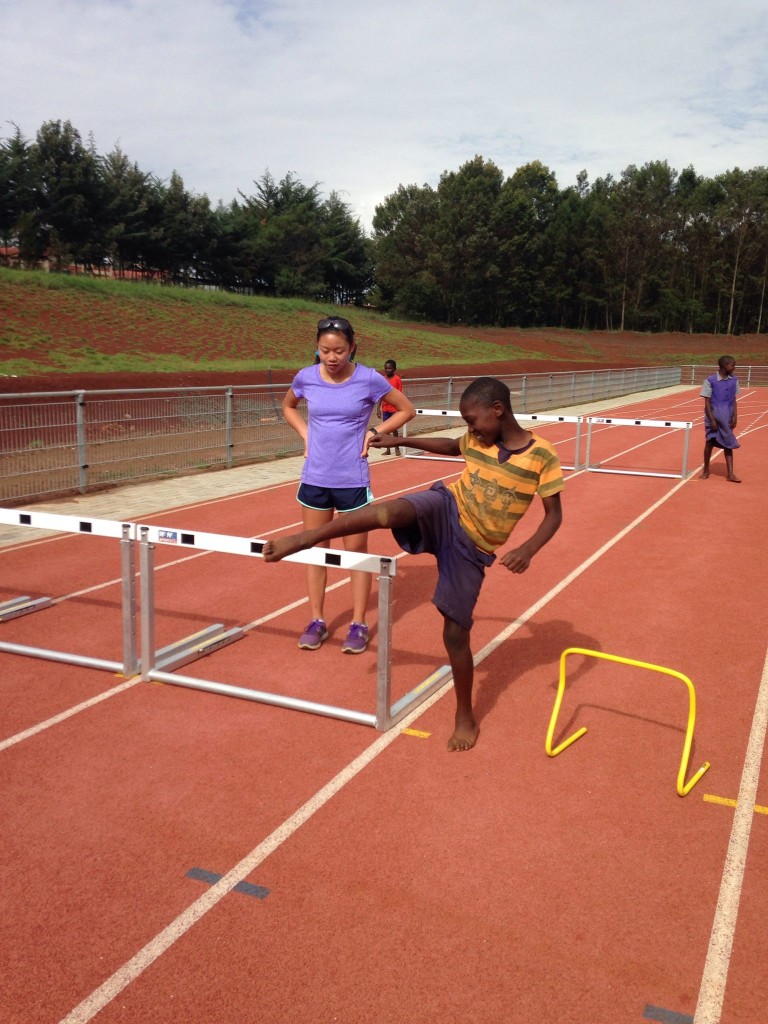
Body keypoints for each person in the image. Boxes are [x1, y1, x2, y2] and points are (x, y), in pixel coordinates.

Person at [265, 376, 564, 752]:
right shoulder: (476, 438)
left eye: (473, 421)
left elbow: (554, 515)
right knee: (388, 512)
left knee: (455, 633)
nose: (470, 429)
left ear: (498, 410)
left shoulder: (542, 455)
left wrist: (529, 549)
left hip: (473, 546)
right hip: (448, 506)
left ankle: (464, 713)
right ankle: (306, 538)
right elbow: (451, 446)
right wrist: (401, 440)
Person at [282, 315, 415, 655]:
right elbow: (288, 406)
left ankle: (358, 623)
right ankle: (317, 619)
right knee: (314, 551)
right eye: (325, 350)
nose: (332, 357)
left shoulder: (368, 379)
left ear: (352, 347)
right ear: (317, 348)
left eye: (339, 350)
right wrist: (305, 433)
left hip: (352, 479)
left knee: (355, 552)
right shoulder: (306, 377)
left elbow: (406, 410)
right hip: (315, 477)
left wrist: (376, 433)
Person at [700, 355, 741, 482]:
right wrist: (711, 419)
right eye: (732, 365)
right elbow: (707, 402)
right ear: (724, 366)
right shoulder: (710, 380)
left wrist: (735, 416)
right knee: (710, 442)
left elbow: (734, 400)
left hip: (727, 416)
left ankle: (730, 474)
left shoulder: (734, 380)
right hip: (714, 416)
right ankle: (706, 470)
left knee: (728, 443)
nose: (734, 367)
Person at [375, 359, 404, 456]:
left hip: (394, 409)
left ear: (394, 369)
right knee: (386, 429)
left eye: (390, 368)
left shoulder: (397, 379)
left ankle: (397, 447)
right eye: (386, 368)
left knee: (394, 428)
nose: (388, 370)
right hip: (385, 408)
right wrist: (378, 408)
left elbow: (400, 394)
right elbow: (380, 394)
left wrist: (399, 407)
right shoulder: (383, 379)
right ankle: (388, 449)